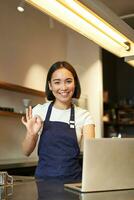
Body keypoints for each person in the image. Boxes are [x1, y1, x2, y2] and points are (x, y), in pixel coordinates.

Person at [21, 61, 95, 182]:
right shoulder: (39, 111)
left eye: (68, 81)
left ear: (75, 83)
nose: (63, 87)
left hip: (73, 184)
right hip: (43, 183)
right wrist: (31, 134)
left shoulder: (84, 116)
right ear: (50, 85)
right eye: (57, 82)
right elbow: (26, 152)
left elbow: (91, 155)